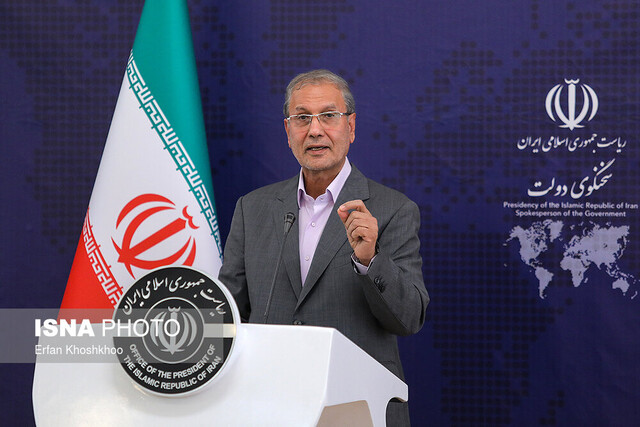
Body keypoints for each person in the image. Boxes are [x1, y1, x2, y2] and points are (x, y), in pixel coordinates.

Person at [218, 69, 429, 426]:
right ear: (288, 132)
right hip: (268, 404)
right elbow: (228, 313)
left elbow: (408, 319)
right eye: (302, 118)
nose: (315, 130)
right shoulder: (252, 209)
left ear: (351, 126)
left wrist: (370, 260)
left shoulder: (393, 210)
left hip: (354, 406)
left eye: (328, 116)